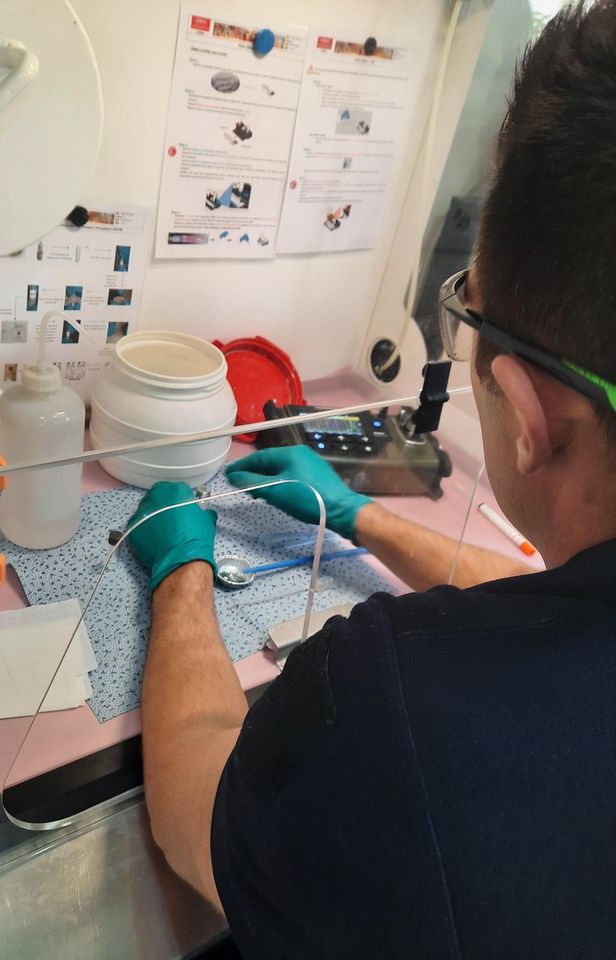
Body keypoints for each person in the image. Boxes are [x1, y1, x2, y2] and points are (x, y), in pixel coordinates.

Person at [127, 4, 616, 956]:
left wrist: (181, 570)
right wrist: (360, 520)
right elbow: (555, 610)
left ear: (520, 411)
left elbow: (194, 805)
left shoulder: (391, 719)